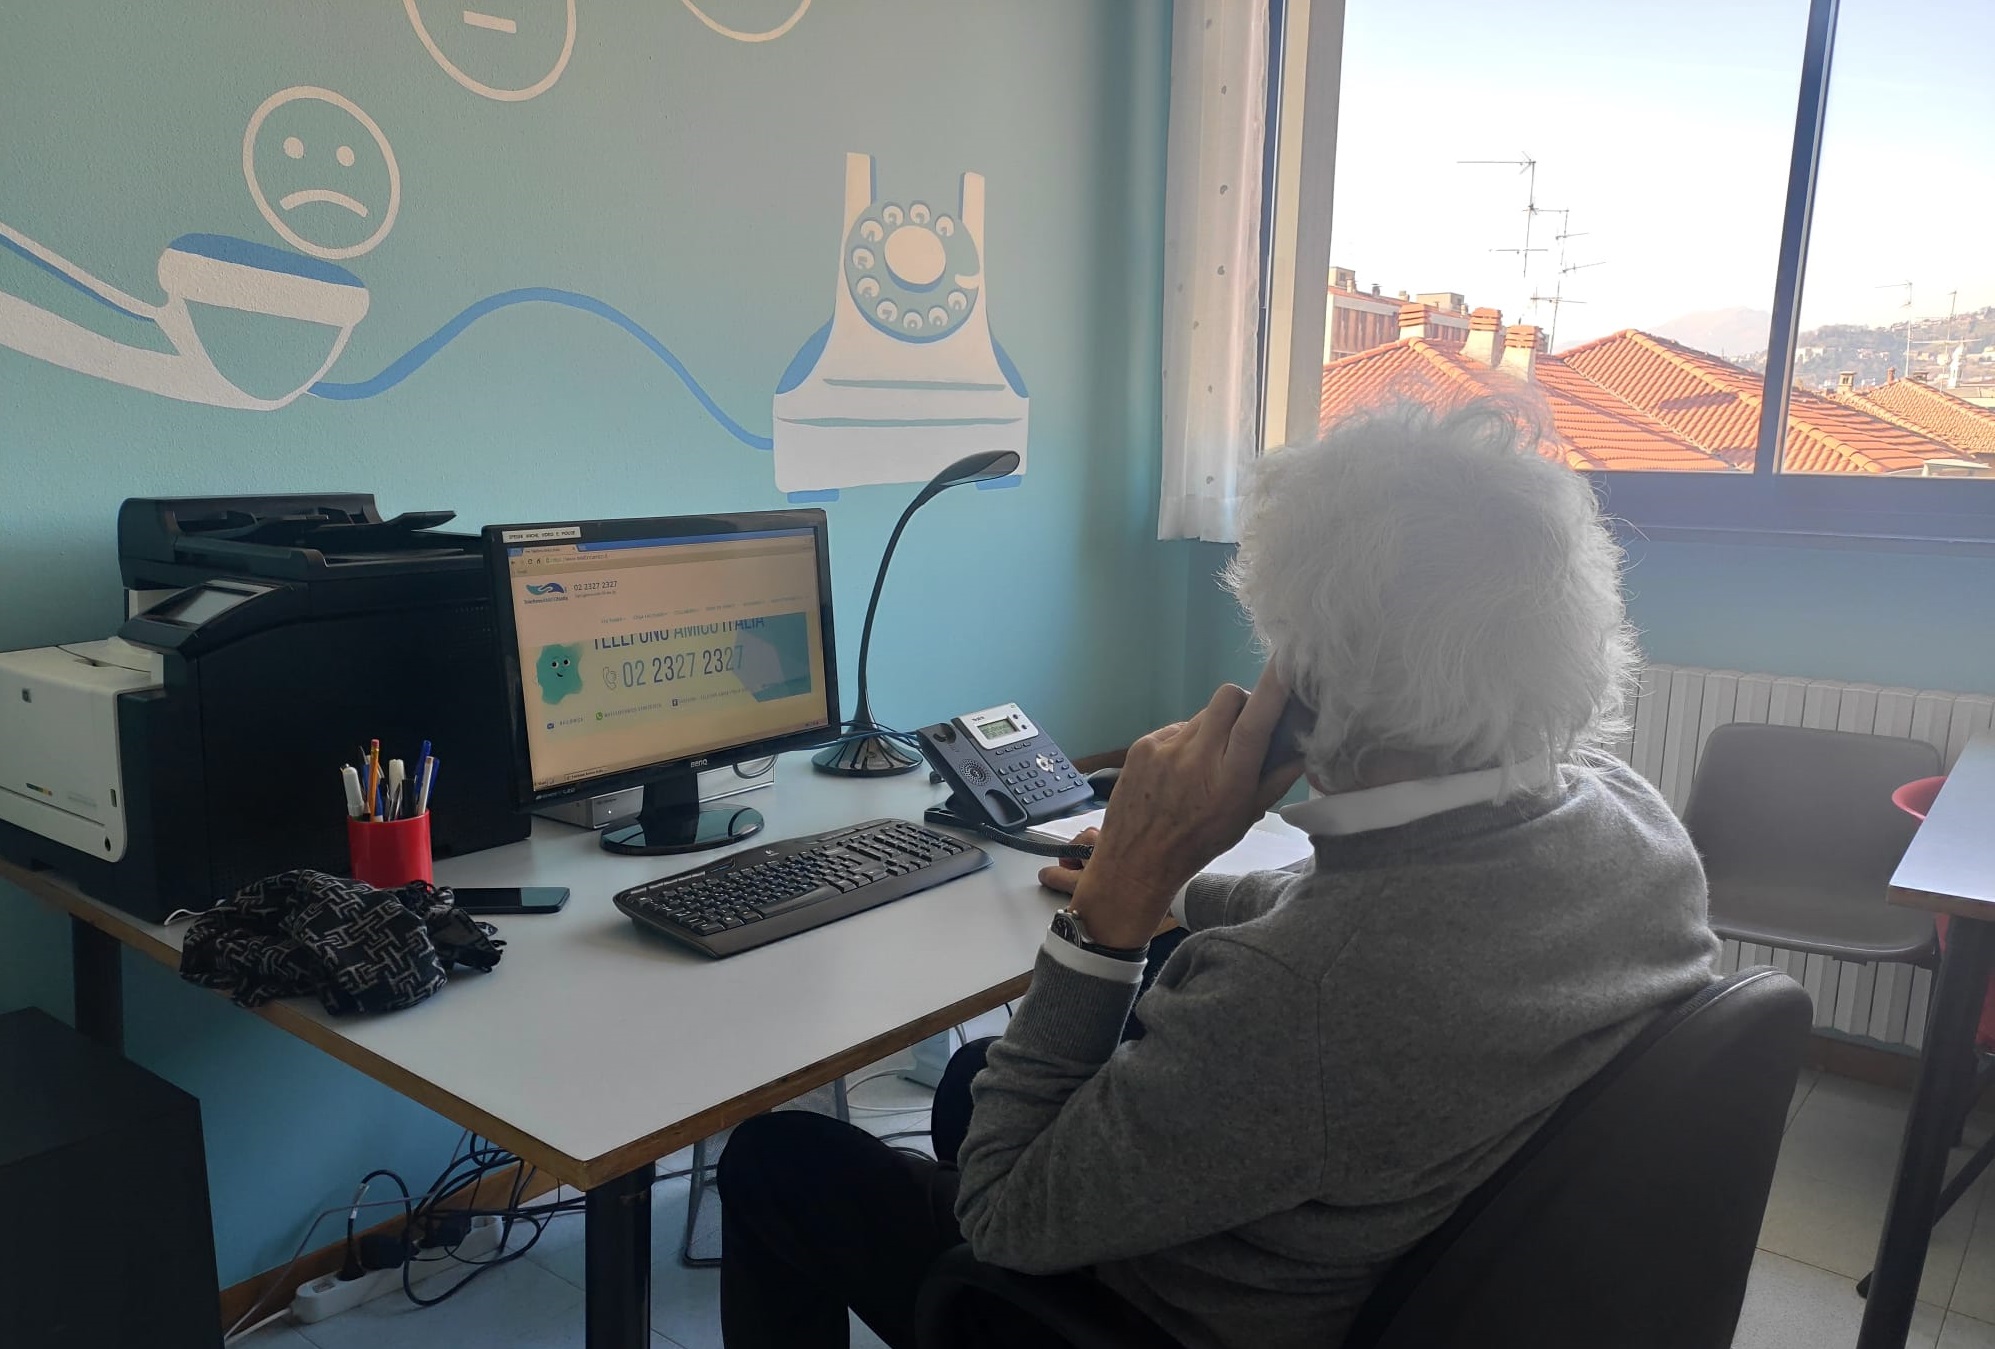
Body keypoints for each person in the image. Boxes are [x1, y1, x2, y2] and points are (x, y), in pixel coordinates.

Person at [717, 399, 1721, 1349]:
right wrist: (1173, 881)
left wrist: (1117, 905)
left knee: (776, 1155)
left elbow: (1003, 1214)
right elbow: (1370, 920)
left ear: (1310, 680)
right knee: (972, 1082)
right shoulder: (1629, 820)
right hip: (1380, 1228)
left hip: (1162, 1314)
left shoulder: (1305, 995)